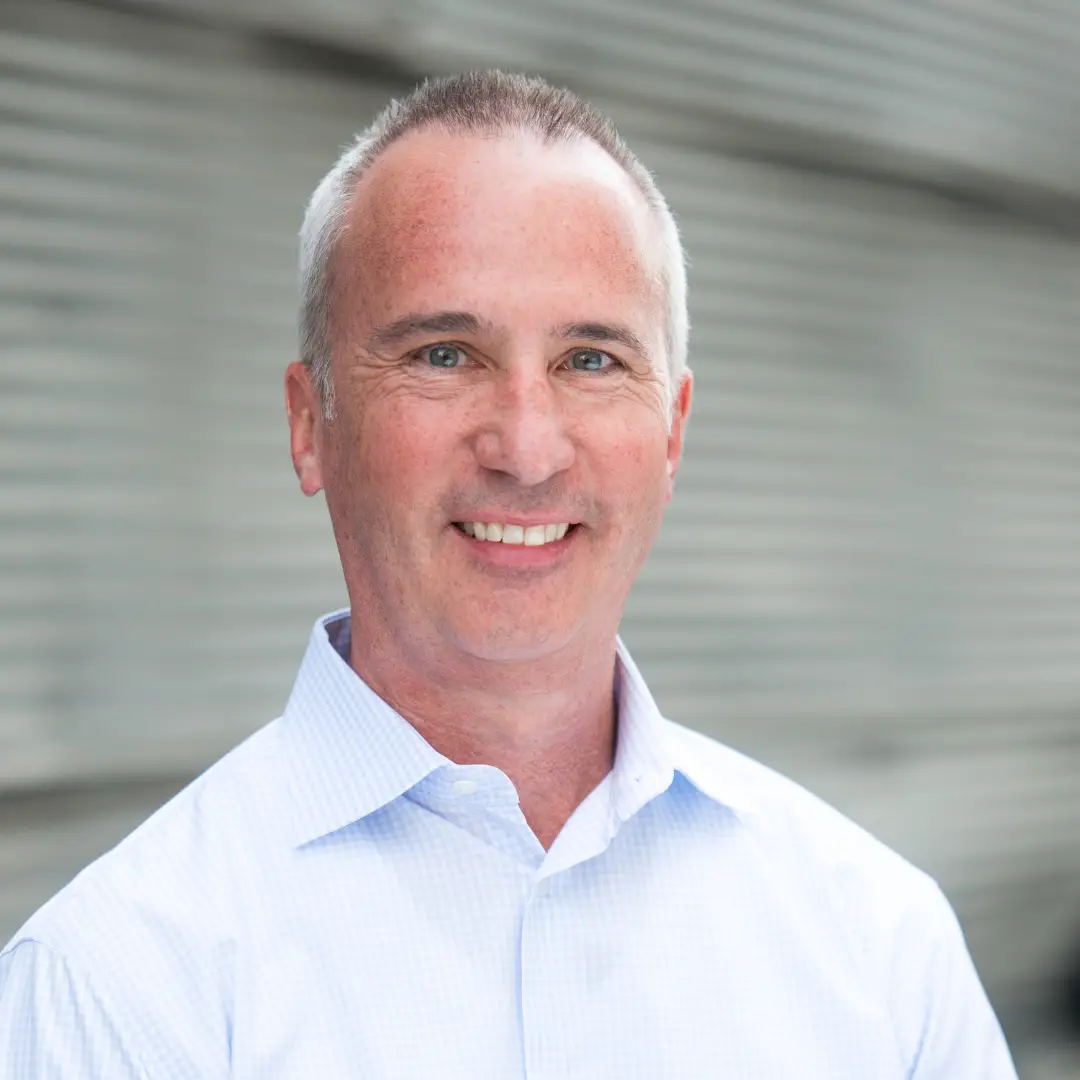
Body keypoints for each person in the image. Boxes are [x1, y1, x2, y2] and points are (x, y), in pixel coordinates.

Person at [0, 70, 1017, 1078]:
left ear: (673, 432)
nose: (527, 450)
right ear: (311, 427)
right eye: (445, 355)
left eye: (591, 361)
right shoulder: (113, 994)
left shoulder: (885, 958)